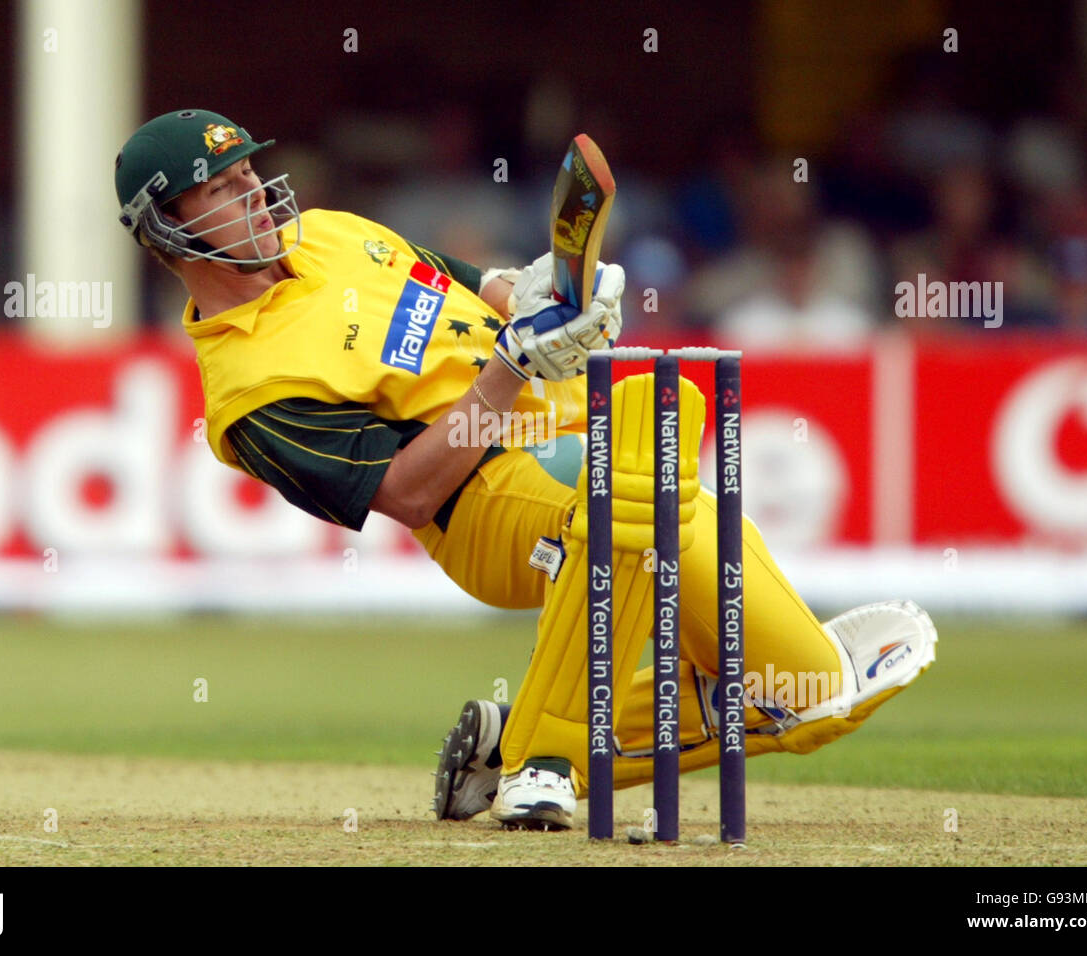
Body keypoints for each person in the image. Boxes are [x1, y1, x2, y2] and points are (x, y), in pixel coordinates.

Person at [114, 109, 938, 831]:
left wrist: (545, 292)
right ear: (166, 227)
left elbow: (467, 283)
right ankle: (542, 759)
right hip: (483, 504)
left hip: (584, 428)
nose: (256, 190)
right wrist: (509, 370)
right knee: (635, 500)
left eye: (251, 170)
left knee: (813, 691)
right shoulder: (249, 393)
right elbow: (407, 490)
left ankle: (520, 739)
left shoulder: (327, 232)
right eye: (222, 187)